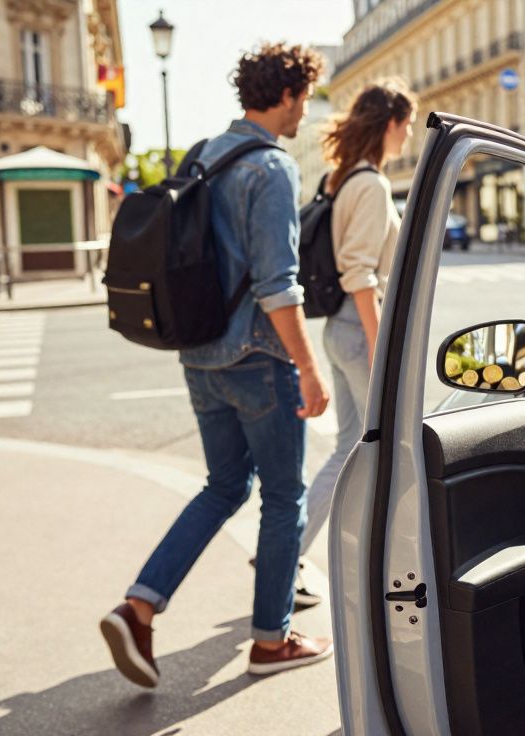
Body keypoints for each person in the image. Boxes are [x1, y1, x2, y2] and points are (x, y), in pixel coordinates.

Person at [100, 42, 333, 687]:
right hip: (257, 359)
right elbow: (277, 285)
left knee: (225, 486)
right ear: (286, 95)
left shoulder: (205, 152)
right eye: (305, 97)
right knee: (285, 497)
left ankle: (140, 606)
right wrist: (309, 371)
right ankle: (271, 639)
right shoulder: (272, 168)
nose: (305, 110)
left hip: (198, 354)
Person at [298, 79, 417, 603]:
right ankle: (387, 559)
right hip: (357, 327)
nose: (411, 133)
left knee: (349, 447)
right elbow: (358, 272)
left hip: (339, 329)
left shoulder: (341, 177)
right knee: (389, 449)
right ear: (390, 123)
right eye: (408, 123)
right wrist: (378, 343)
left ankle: (287, 552)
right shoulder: (368, 184)